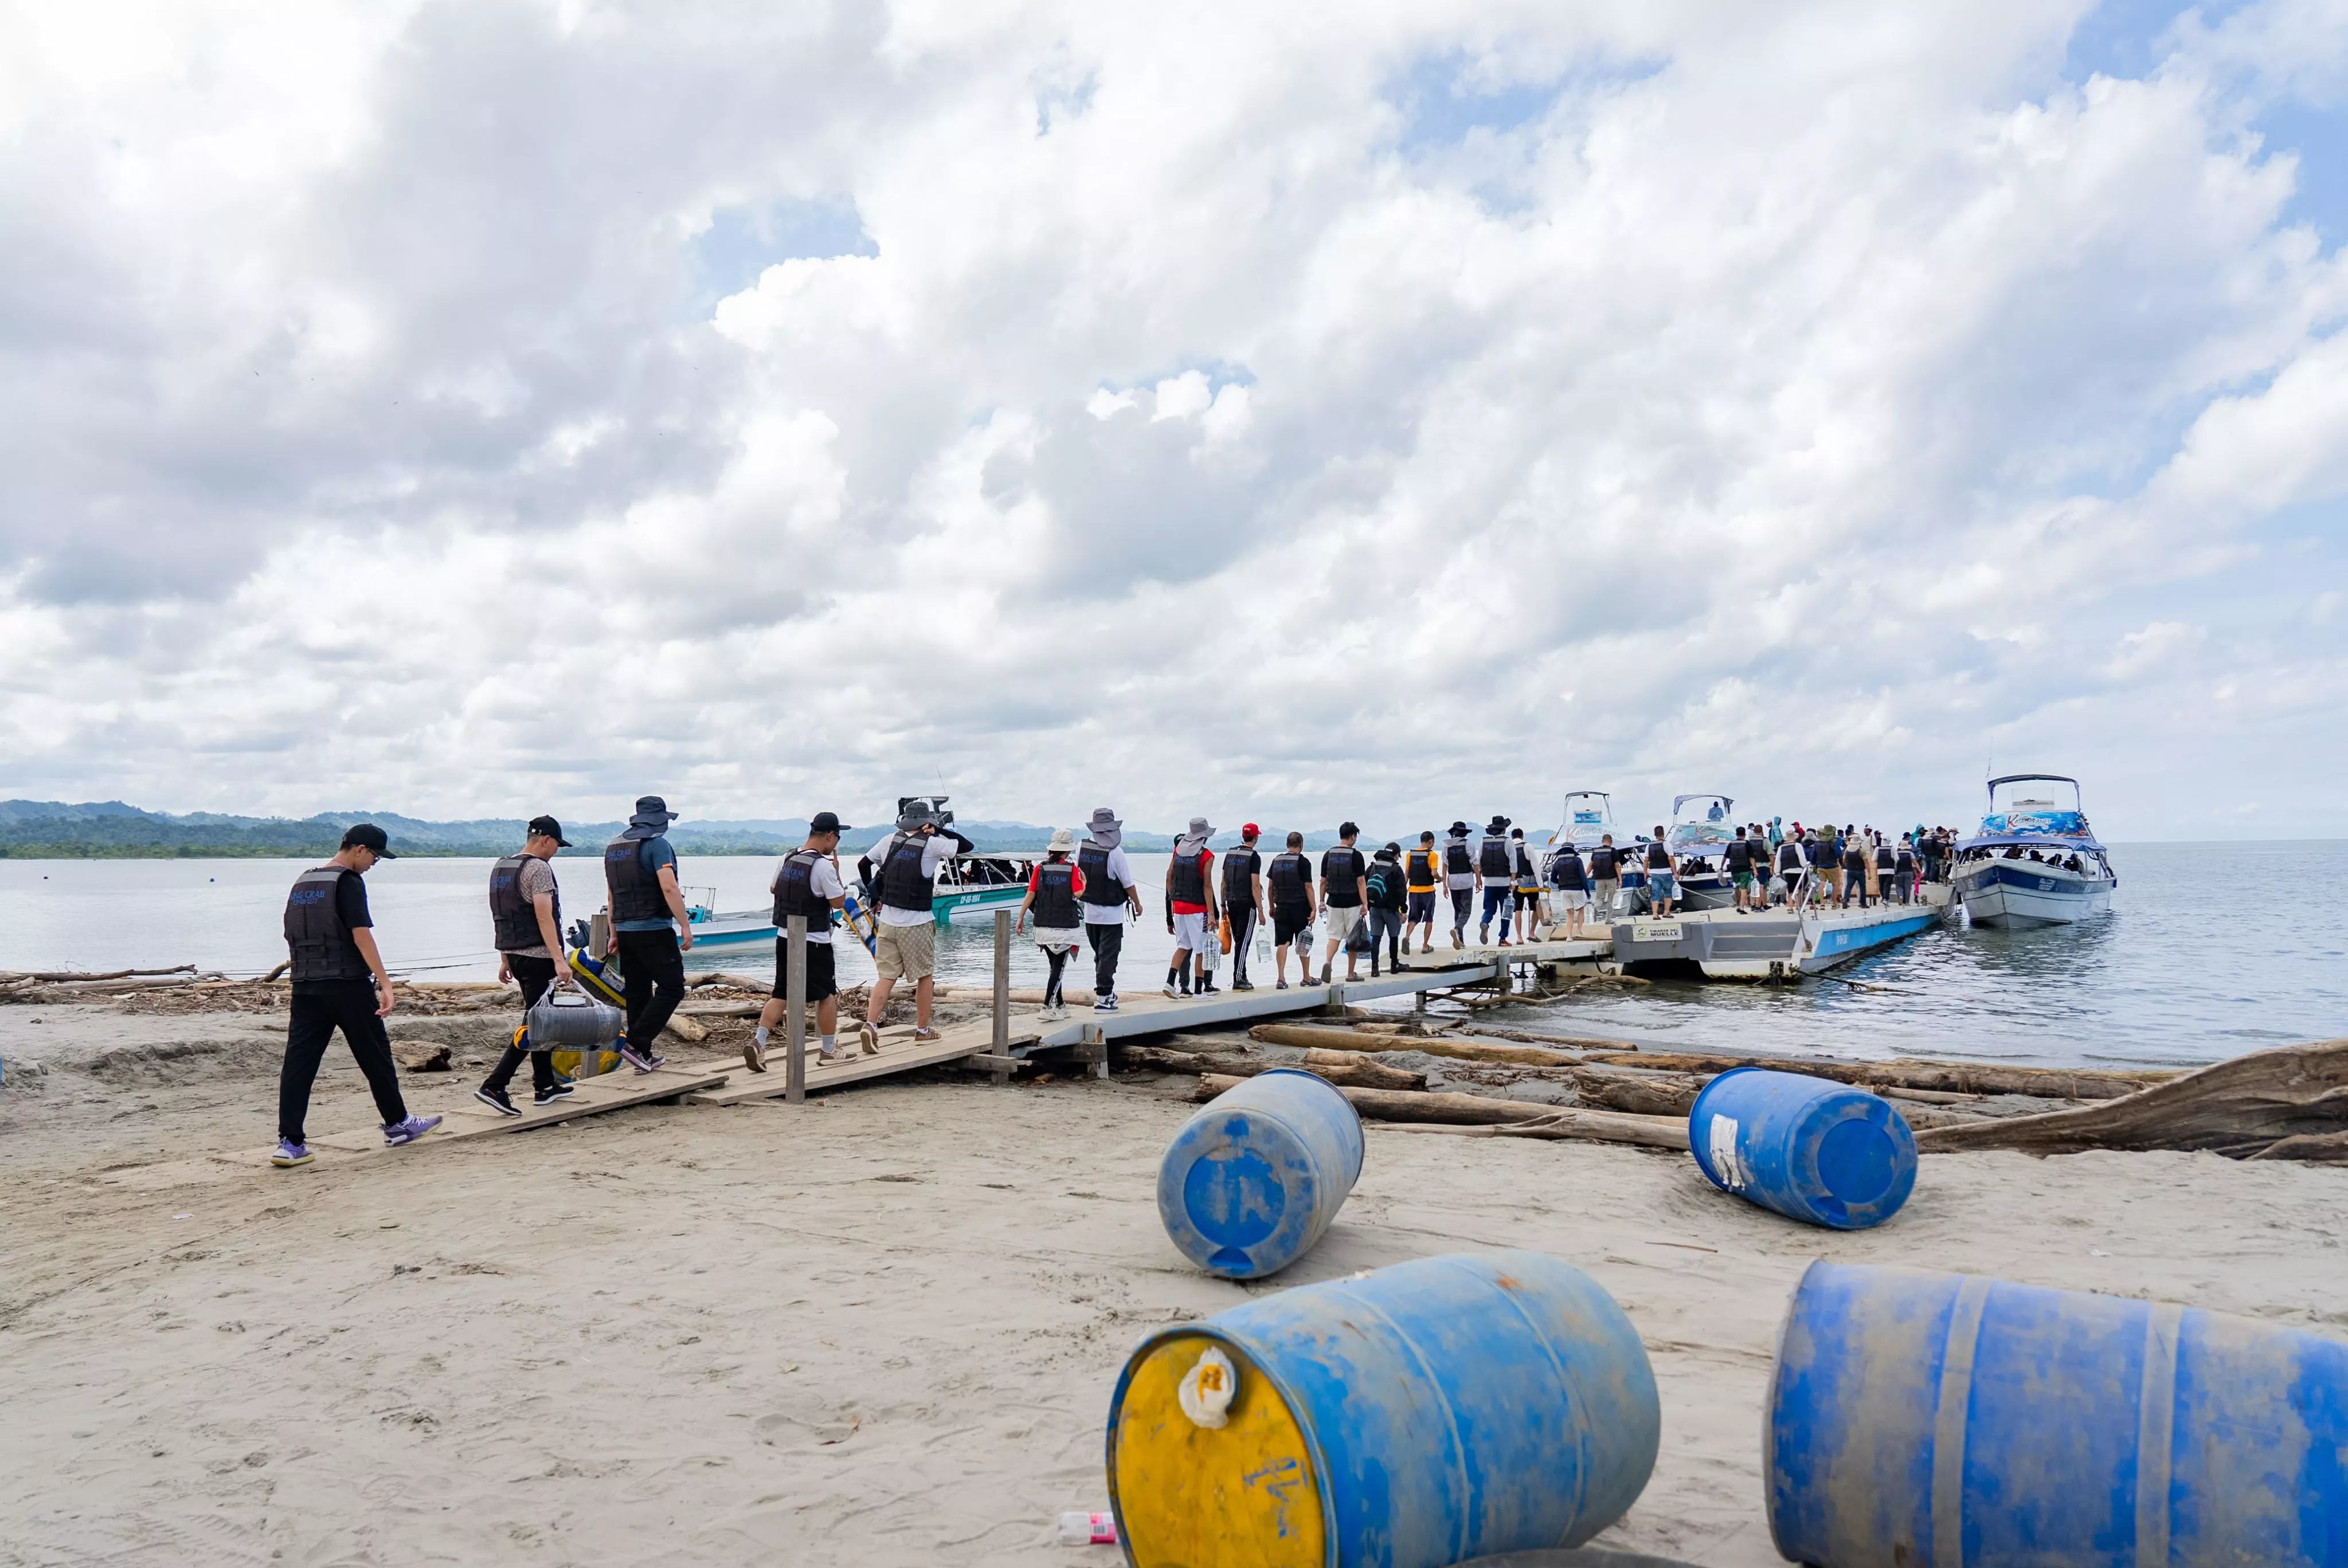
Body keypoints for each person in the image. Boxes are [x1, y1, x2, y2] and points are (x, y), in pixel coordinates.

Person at [272, 824, 439, 1166]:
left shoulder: (304, 881)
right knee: (375, 1055)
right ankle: (398, 1124)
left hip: (305, 985)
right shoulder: (348, 882)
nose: (373, 864)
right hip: (347, 985)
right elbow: (361, 935)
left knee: (299, 1066)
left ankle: (290, 1142)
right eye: (375, 857)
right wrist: (385, 982)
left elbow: (290, 931)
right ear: (359, 849)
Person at [475, 816, 578, 1116]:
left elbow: (500, 913)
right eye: (557, 845)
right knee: (536, 1023)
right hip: (538, 959)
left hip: (516, 956)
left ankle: (545, 1086)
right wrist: (560, 960)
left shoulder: (502, 867)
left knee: (540, 1019)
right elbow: (544, 917)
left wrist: (505, 957)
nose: (556, 851)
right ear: (546, 840)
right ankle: (496, 1084)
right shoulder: (539, 868)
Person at [858, 804, 976, 1046]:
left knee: (886, 977)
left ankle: (870, 1025)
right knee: (925, 977)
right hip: (917, 922)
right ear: (926, 821)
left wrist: (874, 897)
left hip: (888, 920)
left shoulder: (889, 840)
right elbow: (966, 846)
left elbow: (863, 864)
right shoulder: (932, 843)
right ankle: (922, 1030)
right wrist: (940, 830)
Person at [750, 811, 853, 1070]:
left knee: (782, 992)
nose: (836, 844)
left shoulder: (788, 857)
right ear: (829, 836)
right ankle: (828, 1050)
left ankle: (759, 1042)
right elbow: (838, 902)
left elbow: (774, 888)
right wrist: (837, 874)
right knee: (827, 996)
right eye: (837, 838)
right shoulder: (822, 866)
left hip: (785, 936)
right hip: (815, 940)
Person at [604, 795, 694, 1073]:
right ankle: (635, 1043)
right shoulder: (658, 845)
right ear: (659, 820)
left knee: (638, 992)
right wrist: (685, 924)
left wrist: (614, 931)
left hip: (626, 931)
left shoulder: (615, 848)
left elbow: (611, 895)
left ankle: (642, 1056)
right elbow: (669, 888)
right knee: (672, 987)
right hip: (654, 929)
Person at [1075, 807, 1144, 1012]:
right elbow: (1127, 883)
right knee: (1109, 956)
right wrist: (1138, 904)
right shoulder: (1116, 852)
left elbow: (1079, 875)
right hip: (1112, 916)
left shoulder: (1081, 847)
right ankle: (1104, 996)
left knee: (1100, 955)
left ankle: (1107, 993)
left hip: (1089, 913)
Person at [1016, 828, 1086, 1021]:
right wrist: (1085, 882)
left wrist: (1021, 917)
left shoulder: (1040, 868)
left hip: (1043, 926)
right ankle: (1047, 1007)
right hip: (1065, 927)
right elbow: (1079, 894)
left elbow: (1031, 894)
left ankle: (1061, 1005)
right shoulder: (1072, 870)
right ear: (1067, 851)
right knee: (1059, 968)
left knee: (1054, 966)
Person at [1164, 817, 1219, 998]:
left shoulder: (1177, 851)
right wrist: (1211, 914)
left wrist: (1173, 900)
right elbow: (1207, 886)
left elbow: (1169, 877)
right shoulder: (1207, 856)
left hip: (1178, 908)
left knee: (1182, 946)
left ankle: (1170, 983)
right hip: (1198, 909)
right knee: (1201, 950)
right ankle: (1198, 992)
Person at [1318, 822, 1369, 983]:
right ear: (1353, 836)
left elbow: (1323, 881)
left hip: (1333, 901)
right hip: (1352, 902)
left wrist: (1321, 901)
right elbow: (1361, 882)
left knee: (1334, 936)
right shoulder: (1356, 856)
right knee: (1352, 939)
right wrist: (1365, 903)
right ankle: (1350, 973)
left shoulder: (1328, 854)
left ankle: (1328, 962)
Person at [1266, 831, 1317, 988]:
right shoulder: (1303, 862)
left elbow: (1270, 887)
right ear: (1301, 844)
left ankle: (1281, 979)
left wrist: (1271, 906)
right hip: (1300, 908)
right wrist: (1314, 908)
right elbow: (1308, 887)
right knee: (1303, 942)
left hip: (1281, 907)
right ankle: (1306, 978)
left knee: (1283, 942)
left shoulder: (1276, 861)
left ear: (1287, 844)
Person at [1221, 824, 1265, 991]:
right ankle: (1238, 978)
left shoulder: (1230, 853)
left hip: (1231, 902)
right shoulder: (1253, 856)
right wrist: (1261, 911)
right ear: (1256, 838)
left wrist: (1223, 904)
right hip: (1247, 904)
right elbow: (1255, 886)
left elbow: (1224, 881)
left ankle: (1242, 974)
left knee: (1240, 940)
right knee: (1243, 942)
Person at [1365, 842, 1408, 975]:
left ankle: (1374, 968)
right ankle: (1394, 965)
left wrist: (1365, 904)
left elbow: (1364, 884)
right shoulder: (1396, 869)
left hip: (1374, 908)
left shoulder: (1372, 867)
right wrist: (1404, 910)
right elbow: (1402, 892)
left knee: (1376, 938)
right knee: (1393, 937)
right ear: (1395, 855)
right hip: (1391, 909)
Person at [1475, 816, 1514, 946]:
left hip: (1489, 882)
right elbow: (1513, 864)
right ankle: (1503, 939)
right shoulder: (1508, 842)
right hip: (1505, 883)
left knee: (1489, 909)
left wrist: (1479, 880)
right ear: (1504, 829)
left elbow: (1479, 861)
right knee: (1506, 911)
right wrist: (1513, 881)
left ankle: (1485, 923)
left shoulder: (1483, 841)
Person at [1402, 831, 1441, 954]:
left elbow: (1407, 874)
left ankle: (1407, 937)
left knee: (1414, 918)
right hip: (1428, 891)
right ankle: (1425, 946)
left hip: (1413, 891)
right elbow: (1434, 874)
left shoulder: (1410, 855)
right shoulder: (1432, 855)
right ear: (1430, 842)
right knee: (1429, 918)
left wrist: (1403, 889)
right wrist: (1440, 879)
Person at [1441, 821, 1476, 948]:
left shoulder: (1446, 847)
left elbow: (1445, 865)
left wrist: (1444, 885)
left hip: (1452, 881)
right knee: (1466, 911)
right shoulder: (1468, 845)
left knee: (1458, 910)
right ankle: (1457, 930)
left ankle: (1460, 941)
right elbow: (1475, 864)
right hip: (1466, 880)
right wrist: (1478, 880)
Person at [1547, 839, 1591, 938]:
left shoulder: (1558, 862)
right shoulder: (1577, 861)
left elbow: (1553, 879)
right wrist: (1588, 893)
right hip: (1577, 889)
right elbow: (1583, 878)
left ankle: (1569, 936)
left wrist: (1562, 883)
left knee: (1569, 913)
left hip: (1564, 890)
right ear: (1572, 850)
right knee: (1581, 910)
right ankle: (1579, 931)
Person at [1510, 828, 1543, 943]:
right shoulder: (1528, 846)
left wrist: (1511, 883)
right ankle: (1532, 933)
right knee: (1536, 907)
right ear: (1522, 836)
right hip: (1531, 883)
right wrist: (1540, 884)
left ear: (1512, 837)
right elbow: (1535, 866)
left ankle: (1519, 937)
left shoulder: (1509, 847)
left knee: (1518, 909)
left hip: (1516, 883)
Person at [1588, 833, 1620, 923]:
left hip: (1599, 879)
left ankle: (1594, 910)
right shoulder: (1613, 851)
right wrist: (1620, 879)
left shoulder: (1596, 851)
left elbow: (1590, 865)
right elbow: (1617, 866)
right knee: (1610, 899)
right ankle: (1608, 920)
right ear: (1611, 842)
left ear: (1602, 842)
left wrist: (1585, 875)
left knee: (1599, 899)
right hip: (1611, 878)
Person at [1645, 828, 1676, 916]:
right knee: (1668, 892)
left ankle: (1655, 914)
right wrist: (1675, 873)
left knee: (1655, 893)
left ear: (1655, 834)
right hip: (1666, 872)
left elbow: (1646, 860)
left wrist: (1645, 873)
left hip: (1654, 873)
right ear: (1663, 834)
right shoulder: (1667, 844)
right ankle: (1666, 913)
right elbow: (1671, 859)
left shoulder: (1649, 846)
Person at [1724, 825, 1754, 915]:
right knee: (1744, 889)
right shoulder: (1747, 844)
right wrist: (1755, 869)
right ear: (1744, 835)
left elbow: (1725, 857)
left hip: (1734, 869)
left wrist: (1722, 867)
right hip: (1745, 869)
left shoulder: (1731, 844)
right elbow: (1751, 858)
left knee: (1737, 887)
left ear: (1736, 834)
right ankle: (1742, 908)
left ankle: (1738, 905)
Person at [1841, 830, 1870, 908]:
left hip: (1850, 870)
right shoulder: (1861, 850)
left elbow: (1844, 860)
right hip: (1860, 871)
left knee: (1848, 886)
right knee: (1862, 887)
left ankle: (1845, 900)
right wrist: (1869, 873)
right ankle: (1863, 903)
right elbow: (1866, 862)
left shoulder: (1847, 850)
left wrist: (1848, 866)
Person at [1893, 833, 1917, 905]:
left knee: (1899, 886)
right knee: (1908, 887)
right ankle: (1907, 902)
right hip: (1909, 872)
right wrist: (1918, 872)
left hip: (1899, 872)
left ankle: (1901, 896)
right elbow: (1915, 863)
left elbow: (1895, 863)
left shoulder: (1897, 853)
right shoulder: (1910, 853)